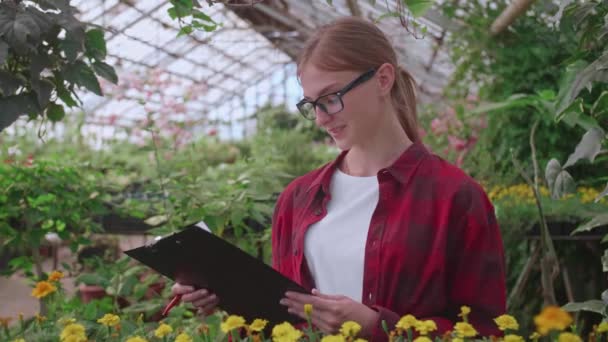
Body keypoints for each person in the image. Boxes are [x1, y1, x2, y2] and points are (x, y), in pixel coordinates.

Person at [172, 16, 506, 340]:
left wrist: (377, 327)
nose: (320, 119)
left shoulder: (455, 197)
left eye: (331, 98)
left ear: (383, 79)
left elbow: (486, 331)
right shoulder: (298, 198)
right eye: (312, 104)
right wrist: (226, 300)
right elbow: (283, 318)